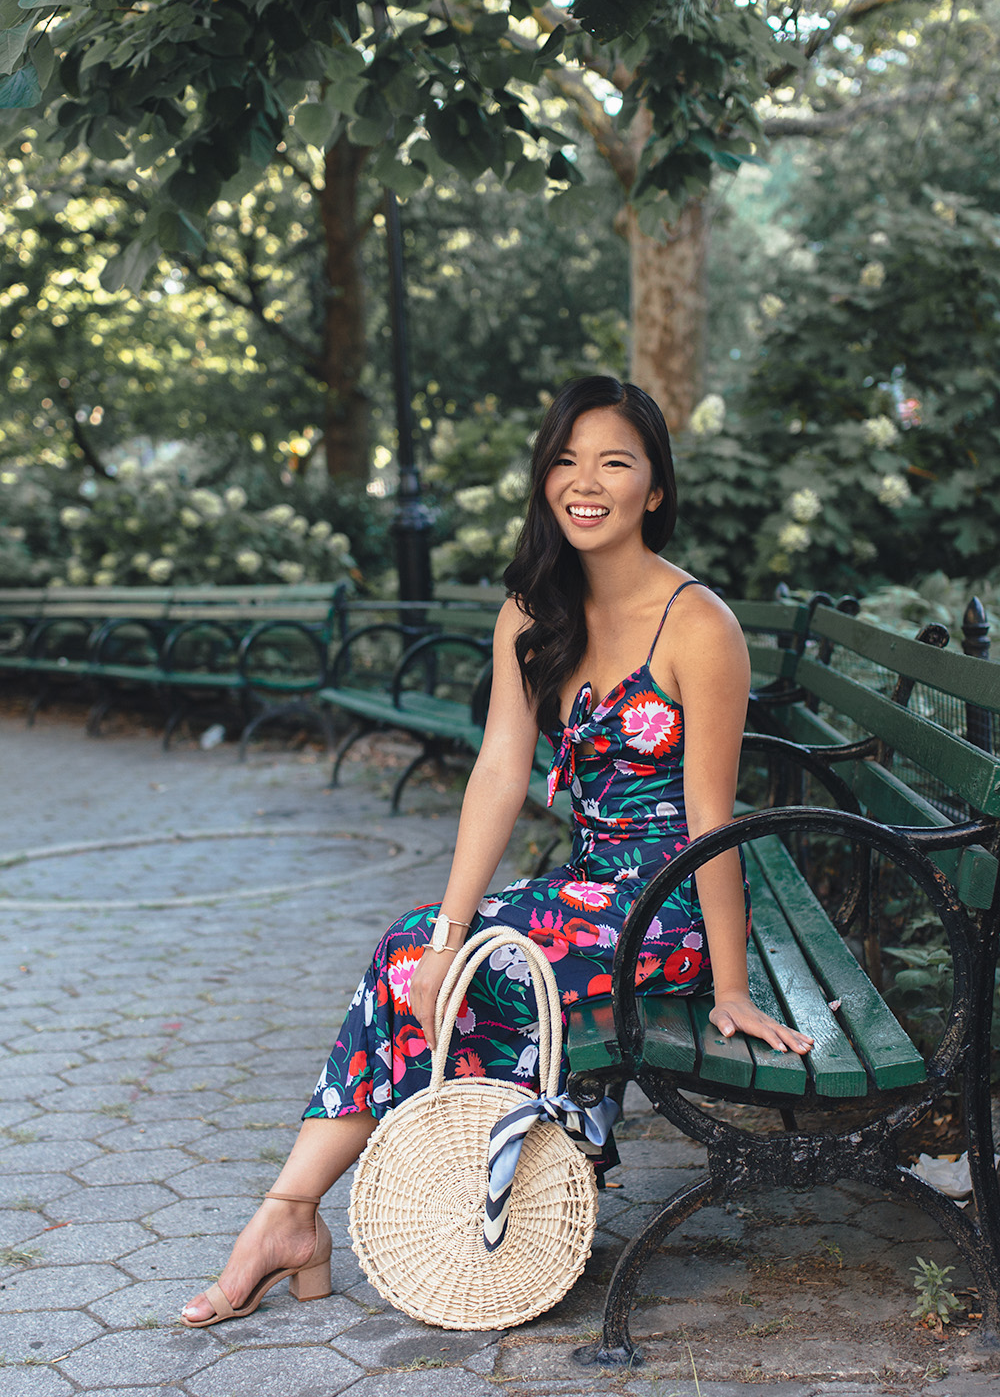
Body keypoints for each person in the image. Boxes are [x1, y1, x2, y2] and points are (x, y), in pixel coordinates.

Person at [181, 375, 813, 1328]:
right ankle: (299, 1215)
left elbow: (713, 822)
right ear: (544, 480)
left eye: (614, 461)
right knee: (421, 953)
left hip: (665, 911)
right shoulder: (533, 611)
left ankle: (350, 1212)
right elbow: (496, 773)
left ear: (656, 488)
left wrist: (728, 985)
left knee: (458, 970)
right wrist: (449, 927)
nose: (585, 481)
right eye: (565, 460)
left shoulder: (699, 626)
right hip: (590, 896)